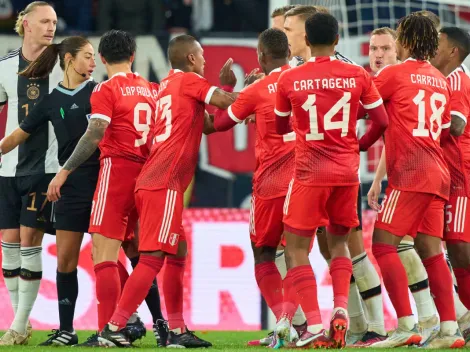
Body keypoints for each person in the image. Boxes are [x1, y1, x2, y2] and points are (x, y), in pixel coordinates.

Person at [98, 34, 235, 348]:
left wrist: (229, 92)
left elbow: (212, 124)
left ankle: (176, 330)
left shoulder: (167, 87)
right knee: (152, 259)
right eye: (201, 55)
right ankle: (114, 326)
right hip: (164, 182)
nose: (204, 61)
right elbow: (226, 104)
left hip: (155, 182)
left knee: (177, 253)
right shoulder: (190, 80)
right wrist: (264, 91)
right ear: (190, 58)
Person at [274, 12, 388, 348]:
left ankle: (312, 325)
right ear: (338, 40)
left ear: (306, 41)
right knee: (340, 245)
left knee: (295, 249)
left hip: (309, 173)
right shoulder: (357, 75)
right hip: (347, 174)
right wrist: (359, 145)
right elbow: (381, 120)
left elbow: (280, 128)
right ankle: (340, 309)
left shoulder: (290, 79)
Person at [45, 29, 155, 347]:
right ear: (133, 56)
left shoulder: (105, 89)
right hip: (147, 177)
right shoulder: (152, 89)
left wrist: (63, 172)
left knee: (104, 256)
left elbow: (94, 134)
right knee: (141, 256)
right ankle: (158, 324)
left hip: (116, 173)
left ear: (103, 59)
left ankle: (110, 330)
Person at [370, 14, 464, 348]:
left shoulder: (393, 74)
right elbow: (440, 131)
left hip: (411, 174)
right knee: (430, 251)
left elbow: (366, 107)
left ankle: (405, 324)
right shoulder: (439, 79)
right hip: (438, 174)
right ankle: (450, 331)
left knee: (382, 245)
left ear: (405, 41)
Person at [0, 36, 96, 346]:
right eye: (87, 57)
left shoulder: (100, 92)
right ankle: (66, 330)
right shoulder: (52, 99)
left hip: (102, 180)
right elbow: (18, 134)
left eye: (94, 57)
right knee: (66, 260)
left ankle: (129, 322)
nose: (93, 64)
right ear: (69, 59)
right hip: (68, 187)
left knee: (116, 254)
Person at [213, 28, 298, 346]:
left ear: (261, 56)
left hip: (270, 183)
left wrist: (228, 88)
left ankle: (283, 324)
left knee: (264, 253)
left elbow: (218, 124)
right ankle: (296, 323)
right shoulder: (305, 80)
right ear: (288, 53)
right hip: (308, 178)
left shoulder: (259, 89)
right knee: (298, 255)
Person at [0, 1, 61, 345]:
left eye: (54, 22)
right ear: (25, 24)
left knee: (28, 242)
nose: (51, 27)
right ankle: (19, 323)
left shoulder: (65, 63)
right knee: (7, 243)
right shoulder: (5, 67)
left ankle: (19, 325)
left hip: (46, 170)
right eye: (44, 21)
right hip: (8, 170)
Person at [431, 26, 470, 342]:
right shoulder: (442, 81)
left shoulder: (455, 81)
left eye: (438, 43)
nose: (433, 47)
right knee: (452, 250)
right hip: (445, 175)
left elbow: (456, 125)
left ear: (453, 51)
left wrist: (424, 129)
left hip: (460, 176)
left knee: (459, 248)